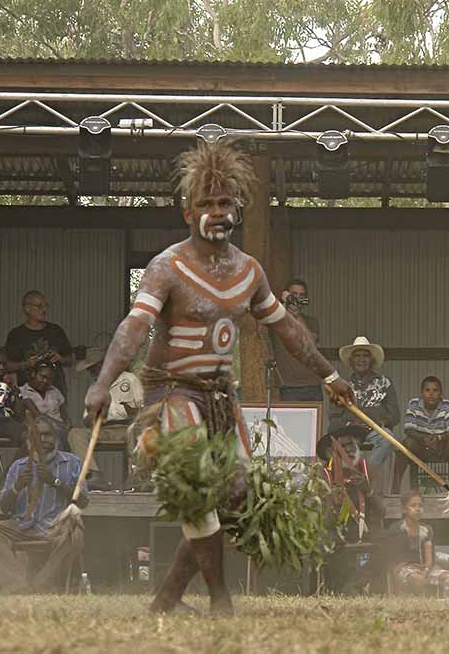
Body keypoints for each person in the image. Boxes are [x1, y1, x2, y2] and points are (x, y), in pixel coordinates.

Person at [83, 139, 353, 616]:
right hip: (171, 392)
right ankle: (221, 601)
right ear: (188, 213)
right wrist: (103, 382)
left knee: (235, 495)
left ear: (238, 208)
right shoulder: (167, 267)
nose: (217, 211)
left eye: (224, 202)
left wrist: (329, 374)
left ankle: (166, 599)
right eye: (206, 203)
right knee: (195, 486)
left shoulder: (249, 272)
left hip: (220, 400)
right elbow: (134, 327)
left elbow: (287, 328)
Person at [0, 417, 88, 592]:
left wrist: (54, 481)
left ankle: (43, 583)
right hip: (22, 525)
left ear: (56, 437)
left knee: (76, 533)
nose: (42, 440)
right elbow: (4, 508)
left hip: (56, 526)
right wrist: (17, 486)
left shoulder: (72, 463)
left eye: (47, 435)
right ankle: (17, 586)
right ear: (28, 441)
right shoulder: (18, 467)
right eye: (36, 435)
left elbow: (83, 501)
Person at [316, 427, 385, 594]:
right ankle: (339, 588)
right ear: (334, 452)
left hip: (364, 529)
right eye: (343, 447)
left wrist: (367, 490)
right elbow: (323, 519)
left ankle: (358, 585)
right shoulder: (324, 473)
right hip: (336, 529)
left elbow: (382, 512)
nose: (349, 450)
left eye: (352, 445)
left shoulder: (369, 470)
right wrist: (335, 497)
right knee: (327, 542)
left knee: (387, 541)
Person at [328, 336, 400, 496]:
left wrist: (380, 423)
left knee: (388, 437)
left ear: (372, 359)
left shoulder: (384, 383)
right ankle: (342, 487)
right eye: (357, 356)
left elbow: (395, 414)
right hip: (349, 432)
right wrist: (350, 426)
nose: (361, 359)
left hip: (374, 430)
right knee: (334, 439)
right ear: (352, 360)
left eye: (365, 355)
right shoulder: (342, 385)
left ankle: (365, 478)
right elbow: (333, 417)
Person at [67, 345, 144, 491]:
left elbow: (144, 411)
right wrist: (93, 414)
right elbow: (87, 420)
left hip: (126, 428)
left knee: (139, 430)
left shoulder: (129, 379)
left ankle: (136, 475)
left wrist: (130, 410)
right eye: (90, 369)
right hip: (102, 429)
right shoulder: (94, 388)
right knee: (75, 434)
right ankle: (94, 475)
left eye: (93, 367)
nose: (91, 372)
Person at [392, 376, 449, 493]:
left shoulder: (447, 405)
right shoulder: (414, 404)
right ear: (421, 393)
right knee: (406, 443)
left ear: (441, 393)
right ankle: (395, 489)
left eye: (435, 390)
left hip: (441, 447)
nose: (431, 394)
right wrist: (423, 438)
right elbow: (409, 429)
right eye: (427, 390)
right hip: (420, 446)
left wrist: (439, 438)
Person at [387, 489, 449, 595]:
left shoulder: (426, 530)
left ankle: (445, 606)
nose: (417, 509)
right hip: (404, 569)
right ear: (404, 509)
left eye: (420, 506)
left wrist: (426, 571)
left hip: (424, 569)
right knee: (419, 581)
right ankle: (427, 599)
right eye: (413, 505)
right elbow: (393, 560)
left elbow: (428, 559)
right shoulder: (396, 529)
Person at [4, 290, 74, 397]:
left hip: (56, 393)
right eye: (40, 306)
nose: (44, 309)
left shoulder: (56, 330)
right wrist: (26, 364)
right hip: (28, 395)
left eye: (46, 305)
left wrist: (60, 359)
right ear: (27, 309)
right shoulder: (16, 334)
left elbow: (71, 359)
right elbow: (6, 366)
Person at [269, 278, 323, 402]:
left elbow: (310, 344)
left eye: (301, 295)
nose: (297, 298)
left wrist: (297, 316)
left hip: (312, 384)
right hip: (288, 386)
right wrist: (283, 302)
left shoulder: (311, 321)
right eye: (294, 295)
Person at [19, 362, 69, 447]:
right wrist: (61, 426)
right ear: (33, 374)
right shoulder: (22, 392)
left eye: (50, 378)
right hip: (40, 430)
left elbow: (65, 415)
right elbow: (38, 417)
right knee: (53, 435)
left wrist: (68, 425)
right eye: (42, 377)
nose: (45, 381)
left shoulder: (55, 391)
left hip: (61, 429)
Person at [0, 346, 23, 444]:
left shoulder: (6, 386)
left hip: (5, 424)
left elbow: (20, 416)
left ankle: (20, 460)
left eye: (4, 364)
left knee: (30, 435)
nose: (2, 367)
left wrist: (15, 393)